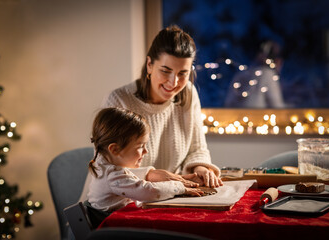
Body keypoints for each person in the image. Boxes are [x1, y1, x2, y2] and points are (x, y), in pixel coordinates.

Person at [80, 25, 222, 203]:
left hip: (169, 199)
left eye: (182, 74)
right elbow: (105, 167)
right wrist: (151, 175)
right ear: (149, 65)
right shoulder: (120, 99)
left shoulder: (189, 94)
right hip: (119, 208)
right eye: (165, 71)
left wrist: (200, 167)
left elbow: (196, 149)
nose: (174, 82)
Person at [87, 107, 204, 212]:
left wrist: (151, 174)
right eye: (140, 146)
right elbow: (149, 192)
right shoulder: (113, 176)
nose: (145, 151)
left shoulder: (102, 166)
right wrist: (178, 187)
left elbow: (129, 178)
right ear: (115, 149)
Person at [225, 41, 286, 108]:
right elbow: (277, 106)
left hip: (235, 116)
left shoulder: (242, 73)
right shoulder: (267, 74)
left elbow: (228, 102)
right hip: (257, 116)